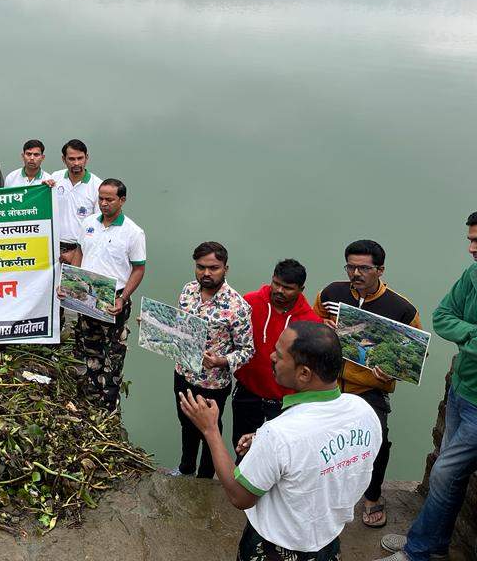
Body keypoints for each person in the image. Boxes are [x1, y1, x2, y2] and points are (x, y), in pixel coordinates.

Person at [180, 321, 382, 560]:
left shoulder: (279, 434)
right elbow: (324, 454)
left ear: (304, 373)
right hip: (327, 543)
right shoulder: (364, 411)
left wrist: (211, 429)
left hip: (274, 547)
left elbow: (239, 496)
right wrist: (265, 446)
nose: (272, 356)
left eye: (280, 355)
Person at [376, 213, 477, 561]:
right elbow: (443, 316)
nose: (471, 248)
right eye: (470, 239)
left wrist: (466, 335)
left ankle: (418, 551)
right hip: (462, 389)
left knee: (446, 471)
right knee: (448, 474)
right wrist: (472, 334)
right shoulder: (473, 275)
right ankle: (433, 542)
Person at [313, 239, 421, 529]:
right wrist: (323, 329)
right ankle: (320, 491)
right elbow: (312, 323)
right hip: (327, 381)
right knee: (318, 439)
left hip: (369, 387)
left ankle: (372, 497)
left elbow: (411, 357)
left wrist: (393, 373)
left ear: (380, 270)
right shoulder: (330, 294)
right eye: (351, 266)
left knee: (377, 441)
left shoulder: (402, 309)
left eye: (364, 268)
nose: (356, 273)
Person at [61, 178, 146, 411]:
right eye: (101, 198)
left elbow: (139, 268)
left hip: (114, 297)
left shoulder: (133, 232)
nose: (104, 203)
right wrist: (69, 283)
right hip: (88, 293)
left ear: (122, 200)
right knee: (88, 347)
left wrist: (123, 297)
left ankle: (108, 405)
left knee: (113, 355)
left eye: (109, 199)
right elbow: (79, 252)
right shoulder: (88, 223)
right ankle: (89, 397)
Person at [173, 241, 253, 478]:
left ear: (225, 269)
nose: (206, 273)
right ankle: (185, 469)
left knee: (210, 430)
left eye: (213, 268)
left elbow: (248, 350)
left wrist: (220, 361)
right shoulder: (188, 291)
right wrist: (158, 327)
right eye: (200, 267)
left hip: (213, 383)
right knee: (186, 423)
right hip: (183, 371)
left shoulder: (237, 307)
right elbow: (180, 326)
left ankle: (206, 477)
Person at [232, 259, 321, 455]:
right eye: (276, 283)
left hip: (286, 400)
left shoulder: (311, 321)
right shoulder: (249, 302)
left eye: (287, 288)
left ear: (301, 289)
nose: (279, 291)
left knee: (279, 452)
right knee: (241, 446)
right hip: (248, 391)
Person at [49, 139, 102, 259]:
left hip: (81, 251)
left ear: (86, 157)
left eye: (80, 158)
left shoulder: (98, 186)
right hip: (53, 248)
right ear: (64, 159)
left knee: (74, 279)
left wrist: (77, 253)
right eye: (71, 159)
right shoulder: (55, 178)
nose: (76, 163)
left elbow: (100, 226)